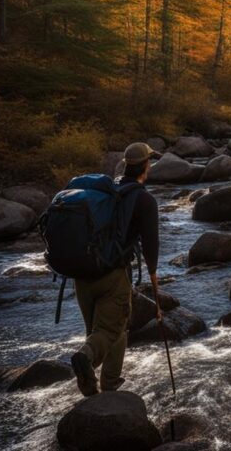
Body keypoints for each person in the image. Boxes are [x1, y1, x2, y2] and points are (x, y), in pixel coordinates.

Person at [71, 142, 161, 396]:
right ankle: (83, 358)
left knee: (107, 330)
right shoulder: (144, 199)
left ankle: (104, 386)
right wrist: (154, 279)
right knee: (109, 330)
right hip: (112, 274)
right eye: (150, 162)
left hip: (82, 272)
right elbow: (150, 245)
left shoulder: (108, 192)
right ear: (146, 166)